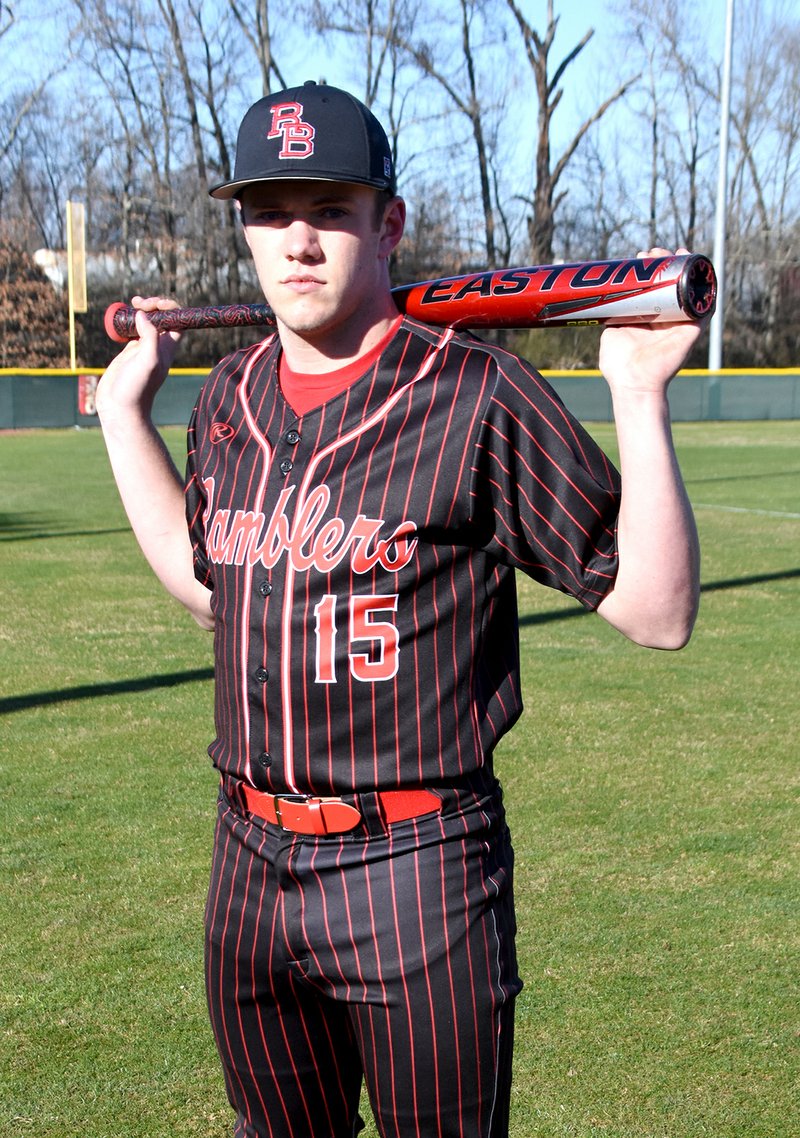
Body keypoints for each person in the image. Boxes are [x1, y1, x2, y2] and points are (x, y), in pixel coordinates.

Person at [96, 80, 701, 1138]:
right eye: (267, 211)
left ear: (389, 223)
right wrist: (123, 419)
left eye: (329, 208)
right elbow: (213, 590)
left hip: (412, 874)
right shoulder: (228, 398)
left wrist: (636, 397)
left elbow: (654, 610)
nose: (295, 240)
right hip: (245, 862)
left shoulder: (474, 391)